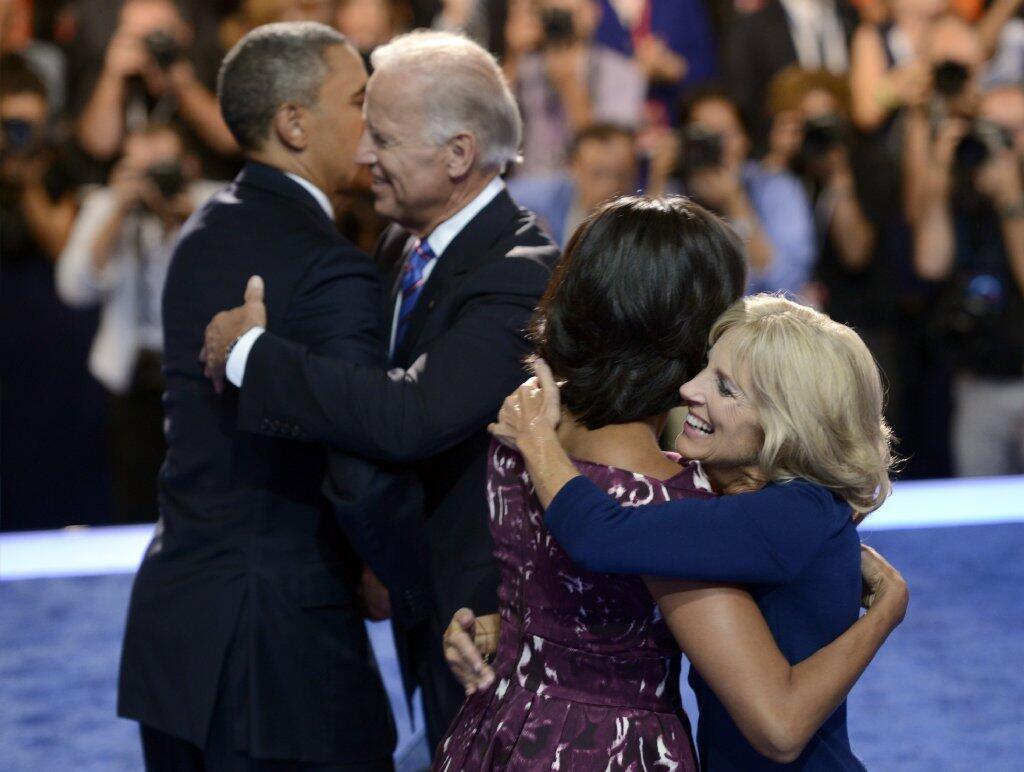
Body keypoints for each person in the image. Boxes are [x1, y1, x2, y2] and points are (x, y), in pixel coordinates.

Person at [199, 30, 560, 750]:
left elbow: (407, 415)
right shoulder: (403, 243)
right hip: (421, 599)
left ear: (458, 154)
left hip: (490, 619)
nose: (363, 156)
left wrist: (253, 357)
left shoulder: (521, 271)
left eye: (384, 139)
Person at [117, 22, 407, 769]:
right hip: (281, 655)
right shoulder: (327, 266)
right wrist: (391, 568)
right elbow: (361, 454)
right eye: (358, 100)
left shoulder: (203, 233)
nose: (371, 125)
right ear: (294, 122)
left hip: (177, 627)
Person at [483, 292, 906, 770]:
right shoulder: (772, 505)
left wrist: (538, 439)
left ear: (787, 423)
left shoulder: (791, 514)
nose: (689, 389)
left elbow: (601, 537)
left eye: (725, 388)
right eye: (706, 367)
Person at [56, 122, 221, 524]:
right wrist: (117, 211)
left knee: (201, 505)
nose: (155, 183)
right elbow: (74, 289)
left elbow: (239, 284)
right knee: (131, 505)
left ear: (190, 165)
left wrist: (192, 223)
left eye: (164, 169)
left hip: (203, 381)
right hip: (130, 380)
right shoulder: (108, 206)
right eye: (143, 172)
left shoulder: (216, 206)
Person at [909, 83, 1024, 476]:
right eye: (989, 131)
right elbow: (930, 263)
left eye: (1010, 133)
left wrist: (1011, 198)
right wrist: (940, 173)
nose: (998, 145)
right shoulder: (964, 196)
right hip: (978, 384)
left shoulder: (1008, 198)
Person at [652, 87, 815, 297]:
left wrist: (735, 203)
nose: (717, 146)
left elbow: (789, 283)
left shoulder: (776, 187)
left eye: (725, 134)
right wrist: (658, 181)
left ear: (745, 140)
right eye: (704, 134)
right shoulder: (670, 192)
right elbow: (648, 279)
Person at [73, 0, 236, 167]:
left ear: (185, 31)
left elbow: (231, 141)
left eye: (159, 34)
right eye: (137, 36)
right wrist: (113, 77)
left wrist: (185, 87)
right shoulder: (109, 69)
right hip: (125, 182)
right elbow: (99, 147)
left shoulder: (207, 63)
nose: (150, 46)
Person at [503, 0, 646, 175]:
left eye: (572, 14)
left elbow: (608, 151)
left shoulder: (622, 72)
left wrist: (569, 85)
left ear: (593, 14)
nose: (562, 23)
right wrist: (514, 54)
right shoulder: (526, 65)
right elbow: (493, 121)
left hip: (586, 185)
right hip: (530, 180)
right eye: (555, 14)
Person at [508, 122, 638, 247]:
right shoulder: (544, 199)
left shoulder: (642, 218)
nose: (611, 187)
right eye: (598, 174)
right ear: (573, 167)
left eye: (622, 175)